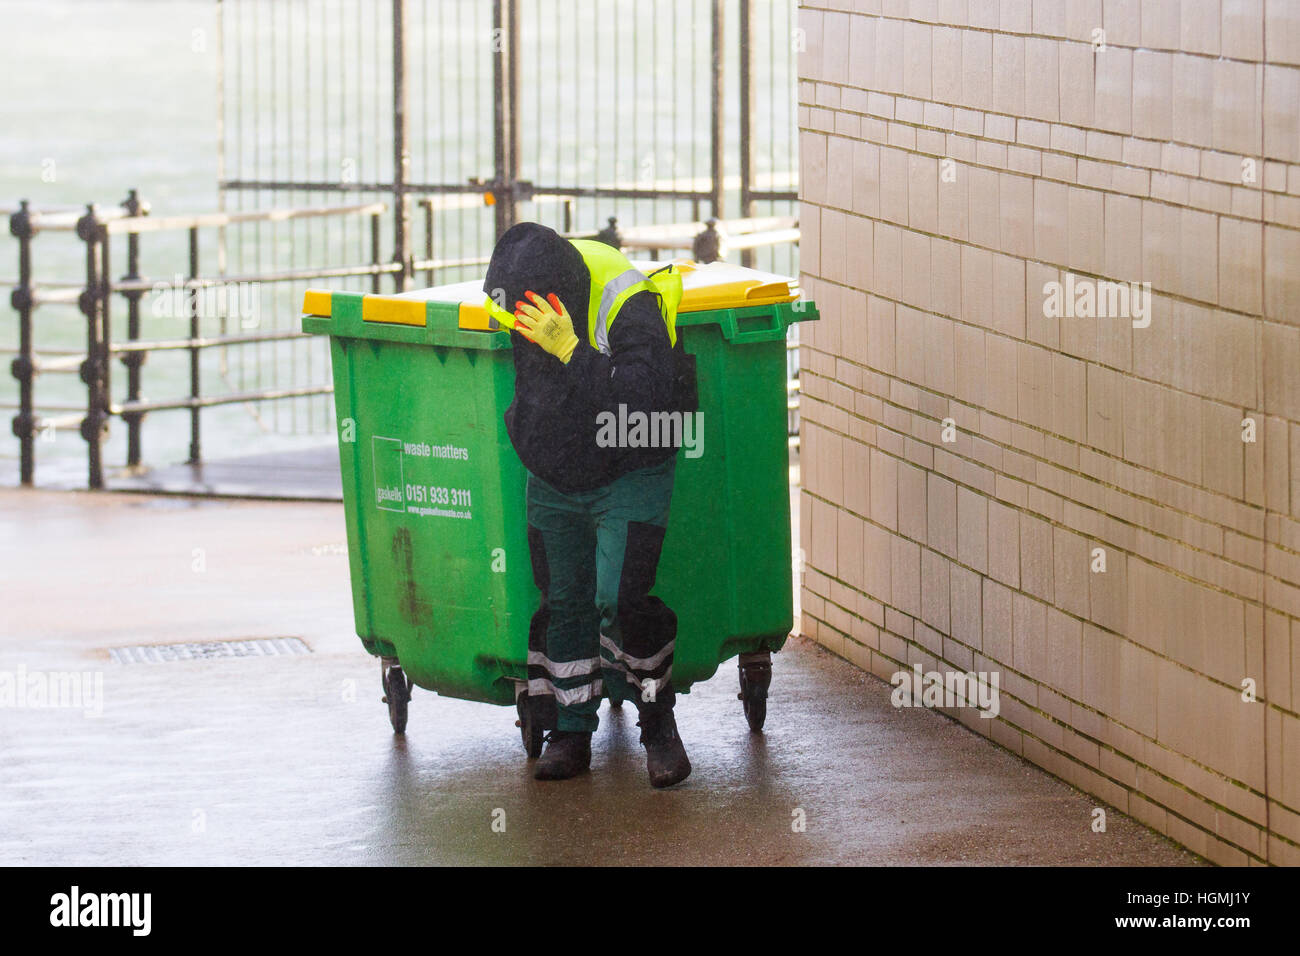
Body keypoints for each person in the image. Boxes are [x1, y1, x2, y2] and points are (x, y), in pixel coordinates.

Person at [482, 221, 694, 788]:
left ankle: (658, 724)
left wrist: (572, 350)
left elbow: (644, 405)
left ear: (564, 297)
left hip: (632, 462)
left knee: (619, 596)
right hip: (560, 470)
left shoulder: (628, 303)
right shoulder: (525, 292)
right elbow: (534, 394)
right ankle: (570, 730)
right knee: (566, 598)